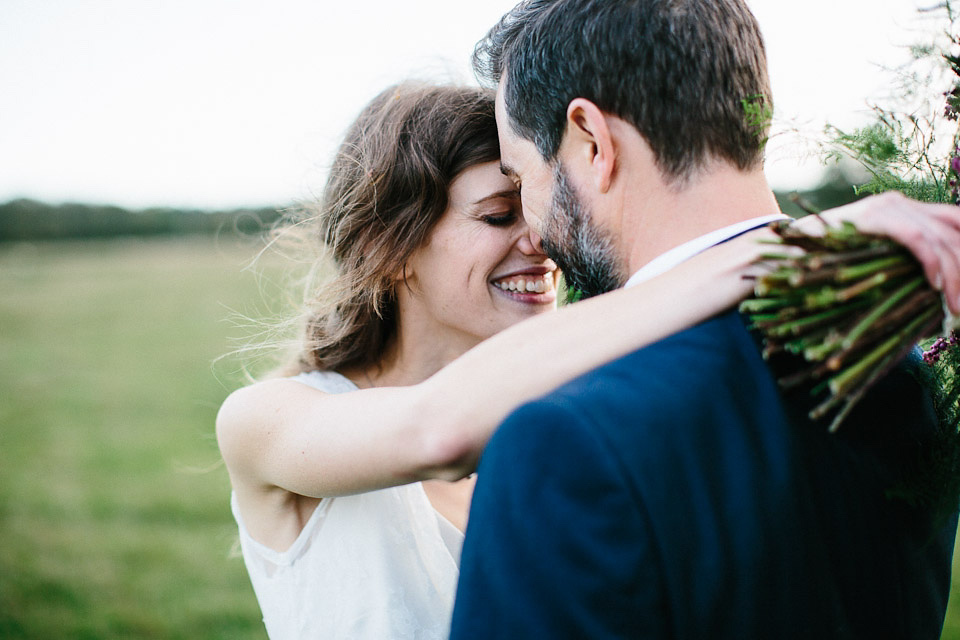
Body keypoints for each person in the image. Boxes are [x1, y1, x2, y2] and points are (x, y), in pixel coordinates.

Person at [218, 82, 959, 639]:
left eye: (534, 203)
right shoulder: (267, 421)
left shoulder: (593, 418)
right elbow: (435, 433)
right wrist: (785, 246)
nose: (538, 239)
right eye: (496, 217)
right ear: (390, 246)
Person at [450, 1, 960, 639]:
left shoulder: (566, 441)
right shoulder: (901, 373)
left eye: (522, 176)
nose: (531, 227)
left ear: (590, 141)